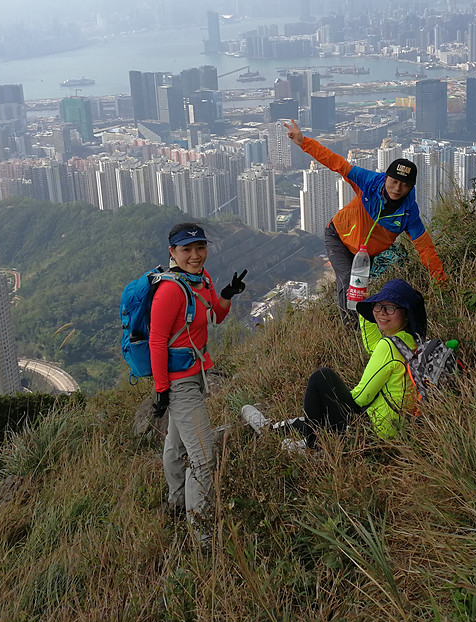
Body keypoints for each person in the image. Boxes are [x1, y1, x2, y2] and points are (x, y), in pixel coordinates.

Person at [284, 119, 446, 321]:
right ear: (386, 178)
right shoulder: (368, 182)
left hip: (365, 254)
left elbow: (425, 248)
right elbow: (337, 163)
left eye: (404, 185)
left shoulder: (409, 213)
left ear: (411, 187)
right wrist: (303, 142)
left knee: (363, 287)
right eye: (394, 181)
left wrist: (441, 283)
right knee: (348, 280)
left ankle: (362, 321)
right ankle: (349, 326)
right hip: (338, 236)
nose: (397, 189)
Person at [241, 279, 426, 451]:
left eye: (391, 308)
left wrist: (332, 404)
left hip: (371, 432)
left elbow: (360, 398)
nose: (382, 312)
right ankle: (271, 429)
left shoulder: (389, 346)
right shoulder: (412, 341)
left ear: (406, 314)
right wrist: (364, 312)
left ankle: (311, 446)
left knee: (322, 377)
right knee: (317, 418)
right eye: (378, 305)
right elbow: (373, 348)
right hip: (395, 429)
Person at [149, 222, 247, 526]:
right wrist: (162, 390)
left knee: (176, 444)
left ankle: (176, 501)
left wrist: (227, 294)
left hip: (195, 373)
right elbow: (157, 341)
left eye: (200, 247)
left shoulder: (201, 279)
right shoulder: (169, 291)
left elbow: (215, 315)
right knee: (204, 458)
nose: (195, 255)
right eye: (186, 249)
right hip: (179, 382)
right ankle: (201, 531)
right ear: (172, 252)